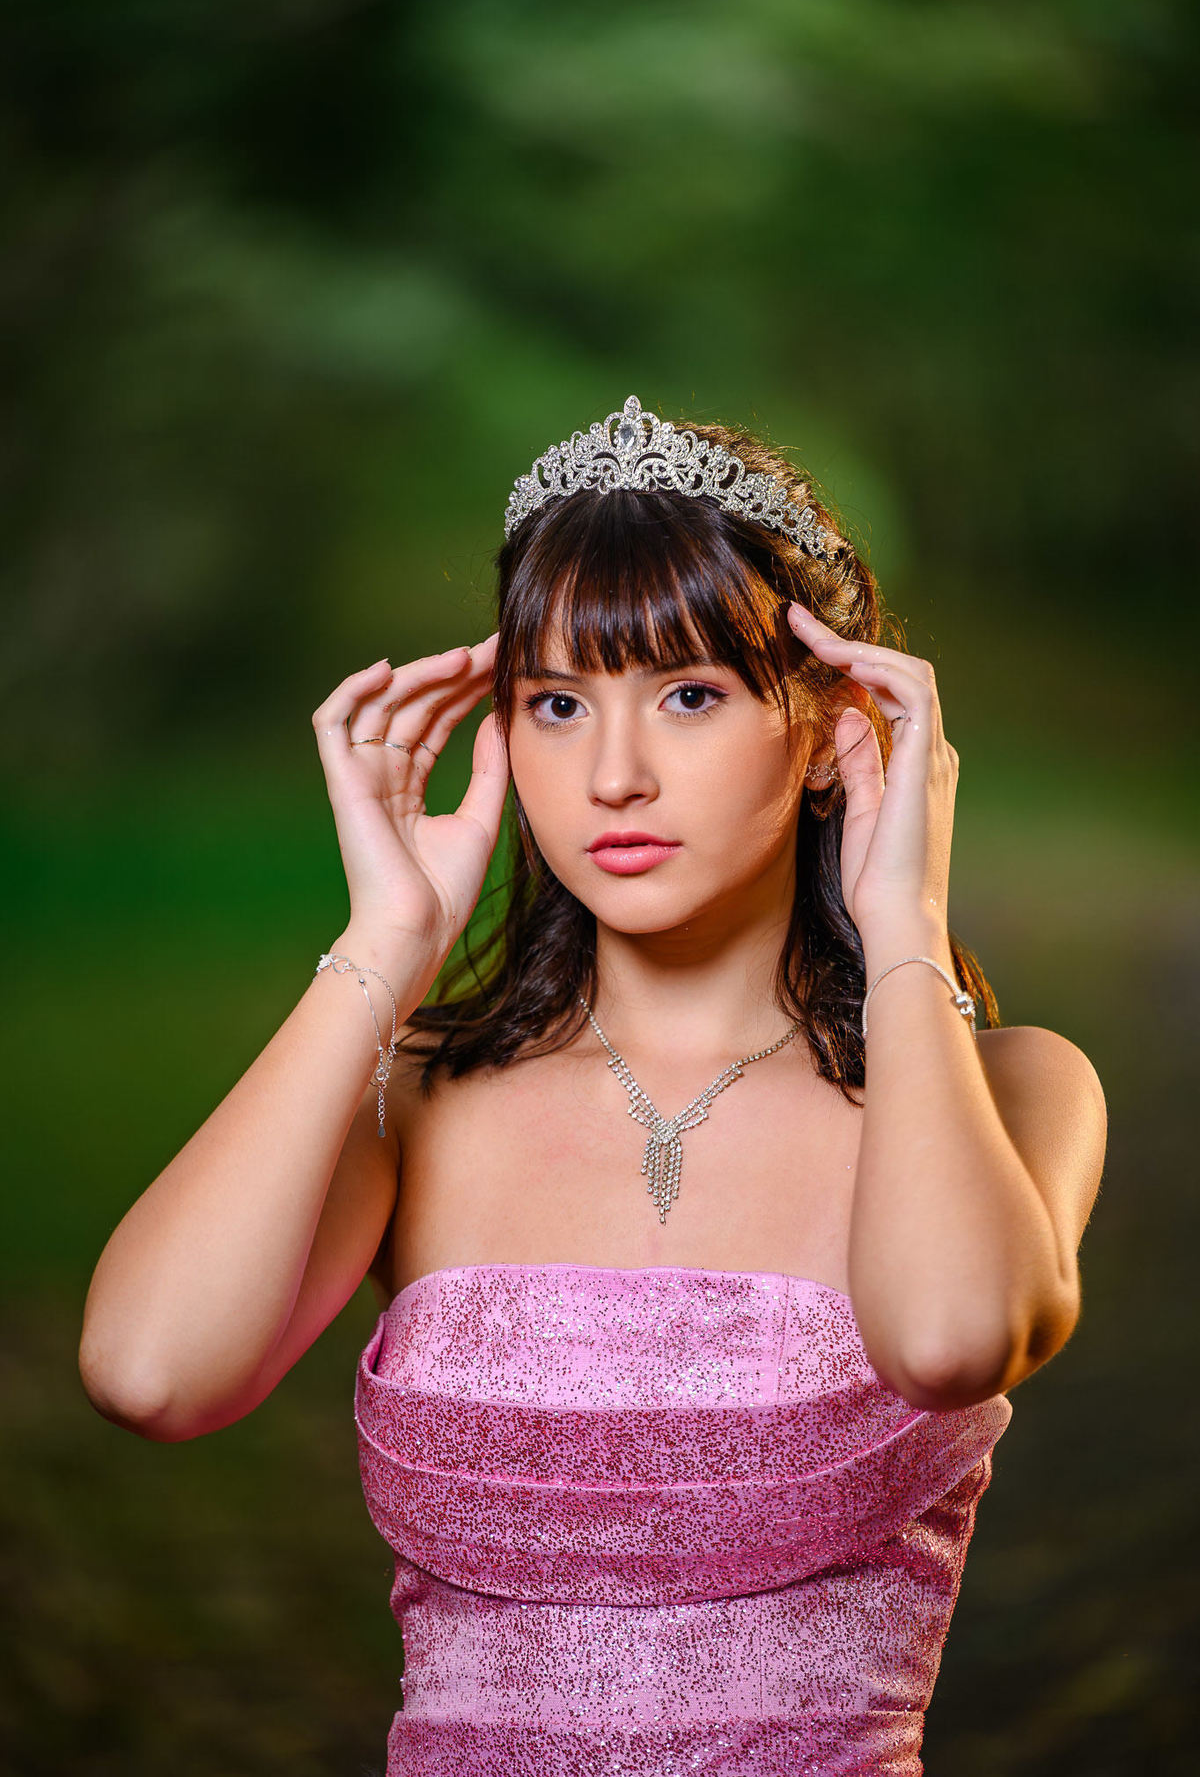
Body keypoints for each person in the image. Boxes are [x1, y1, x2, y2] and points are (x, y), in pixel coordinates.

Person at [80, 394, 1107, 1774]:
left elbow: (949, 1342)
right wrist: (386, 947)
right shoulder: (419, 1098)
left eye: (690, 694)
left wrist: (905, 927)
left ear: (828, 731)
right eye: (558, 704)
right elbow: (152, 1374)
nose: (614, 775)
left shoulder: (1014, 1089)